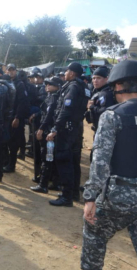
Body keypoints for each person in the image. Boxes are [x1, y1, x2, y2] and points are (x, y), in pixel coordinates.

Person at [81, 60, 137, 270]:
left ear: (117, 86)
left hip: (117, 197)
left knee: (94, 238)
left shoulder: (113, 114)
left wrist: (90, 196)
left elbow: (100, 162)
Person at [46, 62, 90, 206]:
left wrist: (55, 129)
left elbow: (65, 110)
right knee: (73, 162)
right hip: (76, 129)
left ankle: (66, 197)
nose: (64, 74)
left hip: (66, 129)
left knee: (64, 160)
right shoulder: (83, 87)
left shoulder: (73, 87)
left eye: (66, 71)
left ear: (72, 73)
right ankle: (73, 194)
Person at [30, 77, 63, 193]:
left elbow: (49, 116)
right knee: (50, 158)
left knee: (47, 158)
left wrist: (41, 129)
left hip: (48, 132)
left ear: (58, 86)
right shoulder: (51, 96)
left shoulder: (54, 98)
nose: (47, 86)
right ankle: (53, 182)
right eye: (47, 84)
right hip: (51, 131)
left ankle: (43, 184)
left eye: (51, 84)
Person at [4, 64, 30, 172]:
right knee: (5, 140)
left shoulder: (20, 84)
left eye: (13, 70)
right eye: (9, 70)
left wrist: (18, 117)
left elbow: (22, 102)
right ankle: (6, 162)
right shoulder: (6, 82)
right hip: (6, 117)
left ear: (16, 71)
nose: (11, 72)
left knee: (13, 142)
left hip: (15, 117)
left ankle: (11, 165)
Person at [85, 66, 116, 136]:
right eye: (93, 78)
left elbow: (106, 111)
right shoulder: (98, 91)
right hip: (98, 129)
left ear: (106, 79)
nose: (95, 81)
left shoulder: (106, 94)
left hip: (104, 131)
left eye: (99, 78)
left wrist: (92, 107)